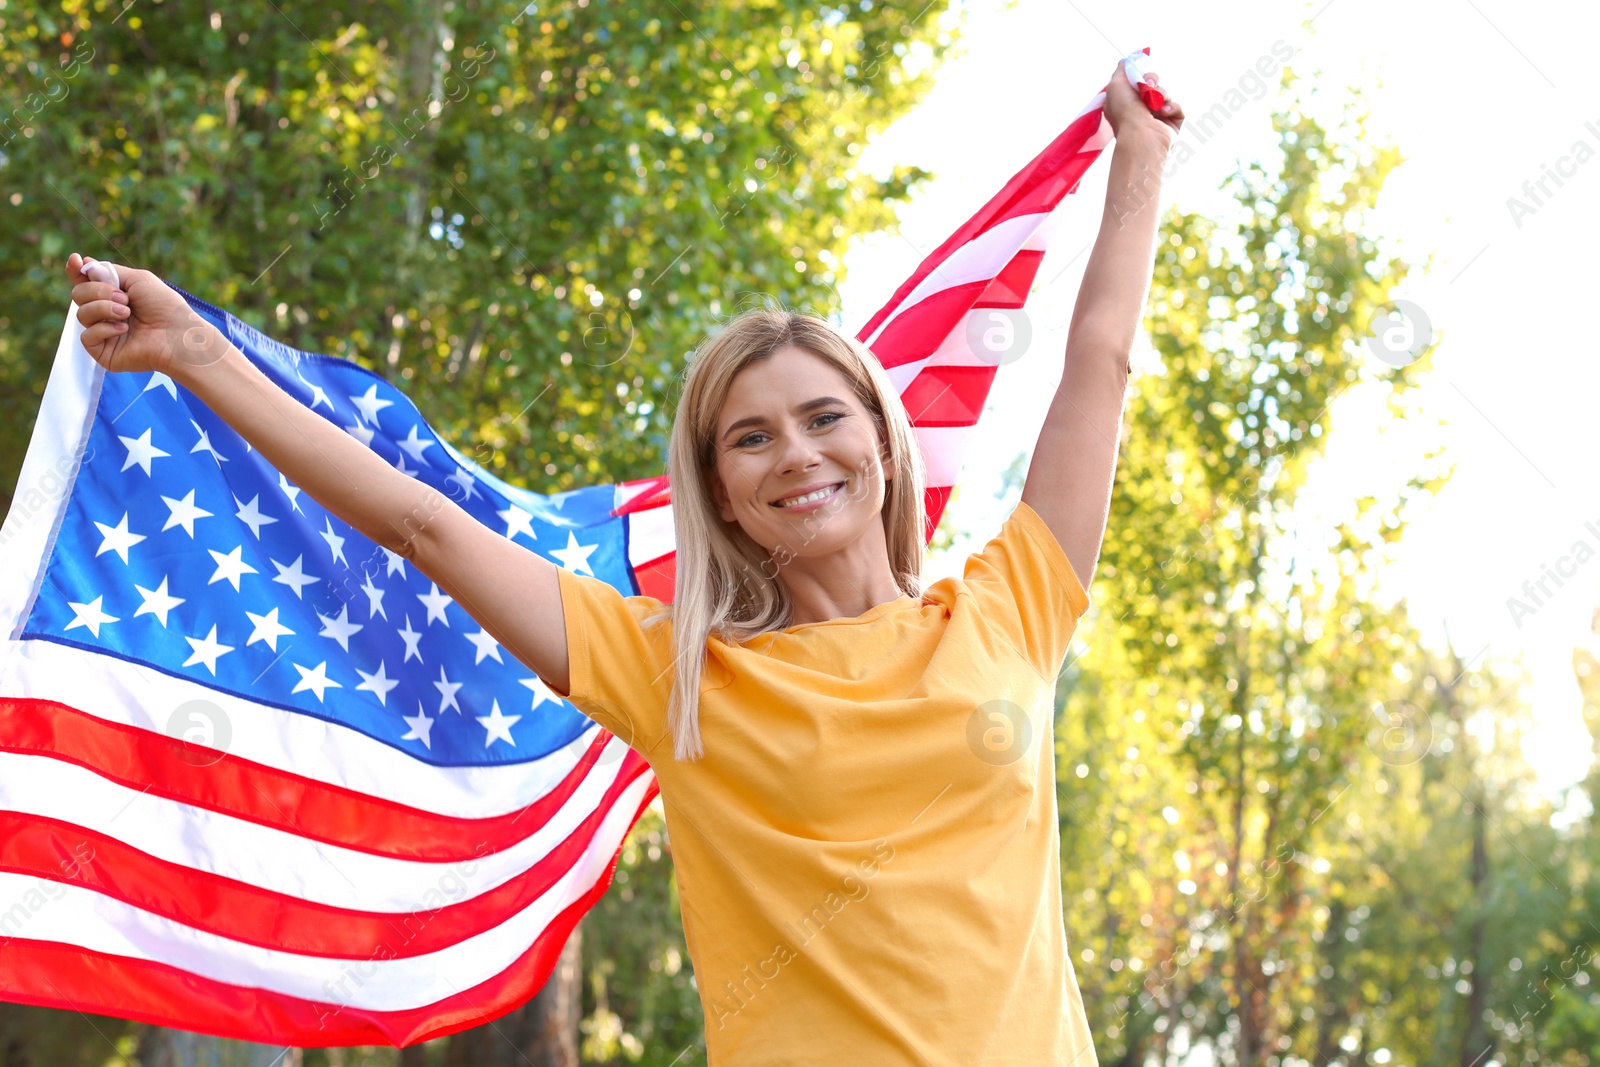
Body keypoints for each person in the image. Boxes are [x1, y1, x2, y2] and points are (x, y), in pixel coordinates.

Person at [64, 58, 1181, 1066]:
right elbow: (426, 529)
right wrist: (195, 352)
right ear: (725, 496)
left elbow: (1100, 359)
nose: (795, 453)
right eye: (750, 437)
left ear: (884, 442)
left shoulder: (1008, 608)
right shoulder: (678, 673)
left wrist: (1140, 152)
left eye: (822, 417)